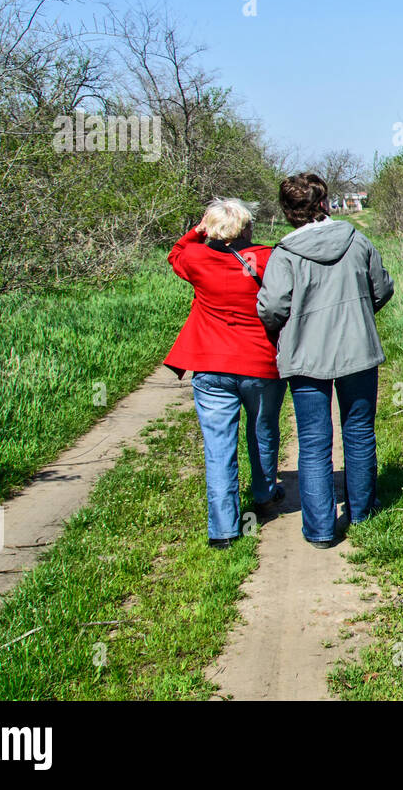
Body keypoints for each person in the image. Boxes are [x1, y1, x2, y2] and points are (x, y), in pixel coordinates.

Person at [257, 173, 394, 548]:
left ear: (288, 211)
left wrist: (286, 329)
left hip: (306, 355)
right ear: (323, 203)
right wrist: (360, 315)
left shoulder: (284, 254)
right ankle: (362, 512)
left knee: (314, 442)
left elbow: (271, 307)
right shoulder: (357, 241)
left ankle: (319, 529)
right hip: (358, 351)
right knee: (360, 431)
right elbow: (381, 288)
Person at [165, 197, 285, 548]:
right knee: (262, 431)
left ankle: (223, 530)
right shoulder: (265, 257)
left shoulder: (195, 258)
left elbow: (175, 252)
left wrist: (198, 230)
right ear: (246, 227)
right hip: (260, 363)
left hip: (210, 364)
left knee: (219, 447)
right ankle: (263, 495)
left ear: (211, 228)